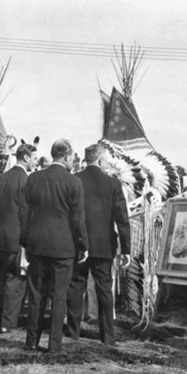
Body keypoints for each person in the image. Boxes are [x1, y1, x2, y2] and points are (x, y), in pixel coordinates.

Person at [21, 139, 88, 353]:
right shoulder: (74, 183)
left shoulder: (34, 179)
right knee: (59, 296)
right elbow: (77, 219)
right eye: (72, 157)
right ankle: (54, 345)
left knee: (36, 294)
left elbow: (25, 212)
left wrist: (25, 240)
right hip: (63, 247)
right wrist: (83, 245)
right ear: (67, 156)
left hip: (37, 244)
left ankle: (31, 341)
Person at [66, 144, 130, 346]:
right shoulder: (112, 184)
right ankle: (108, 336)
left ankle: (73, 331)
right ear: (101, 160)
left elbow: (70, 214)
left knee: (76, 286)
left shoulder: (75, 180)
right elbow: (122, 218)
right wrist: (126, 248)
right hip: (104, 244)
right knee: (104, 289)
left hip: (78, 243)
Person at [0, 143, 38, 333]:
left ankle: (2, 318)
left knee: (3, 280)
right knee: (16, 282)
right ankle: (7, 323)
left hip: (0, 238)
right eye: (33, 158)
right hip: (18, 239)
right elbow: (26, 214)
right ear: (25, 157)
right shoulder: (27, 182)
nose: (34, 162)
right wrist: (27, 241)